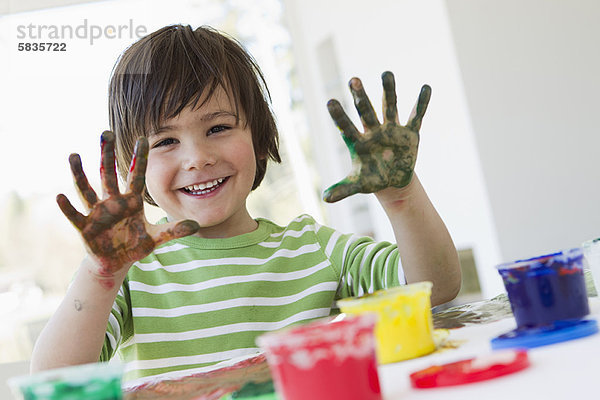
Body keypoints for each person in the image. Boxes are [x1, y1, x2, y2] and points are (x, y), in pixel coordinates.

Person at [31, 24, 461, 386]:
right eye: (166, 141)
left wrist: (401, 198)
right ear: (133, 167)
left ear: (259, 138)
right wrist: (101, 274)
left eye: (218, 127)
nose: (197, 157)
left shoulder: (313, 249)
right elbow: (53, 378)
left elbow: (435, 288)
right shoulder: (132, 272)